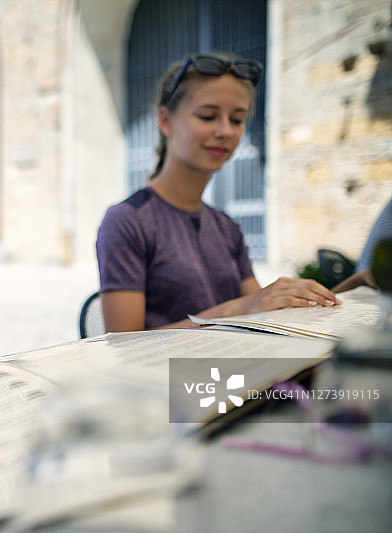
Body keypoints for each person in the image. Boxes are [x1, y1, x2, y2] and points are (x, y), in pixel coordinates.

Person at [96, 53, 338, 332]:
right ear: (165, 120)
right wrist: (233, 309)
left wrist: (345, 289)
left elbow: (260, 310)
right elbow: (122, 344)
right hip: (172, 374)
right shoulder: (127, 221)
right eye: (208, 116)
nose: (225, 131)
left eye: (237, 120)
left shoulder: (226, 227)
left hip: (231, 370)